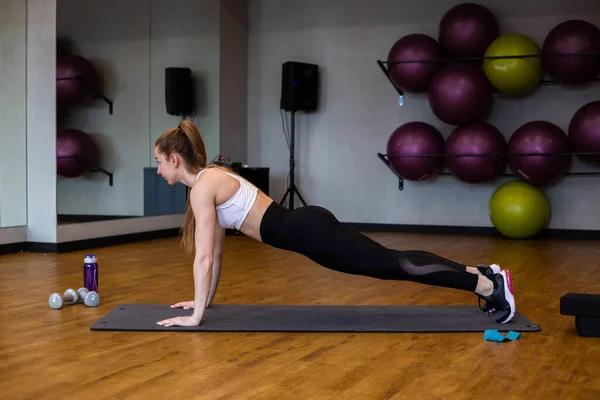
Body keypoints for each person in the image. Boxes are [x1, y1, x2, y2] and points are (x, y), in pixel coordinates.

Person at [154, 121, 516, 328]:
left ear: (174, 159)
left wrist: (197, 317)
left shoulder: (203, 188)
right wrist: (203, 304)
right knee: (392, 261)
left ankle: (487, 287)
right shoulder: (212, 178)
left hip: (307, 233)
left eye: (159, 162)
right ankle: (485, 274)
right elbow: (214, 255)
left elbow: (202, 258)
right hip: (307, 228)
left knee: (394, 264)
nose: (158, 170)